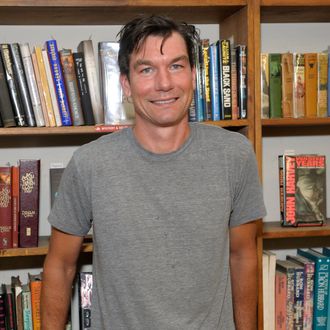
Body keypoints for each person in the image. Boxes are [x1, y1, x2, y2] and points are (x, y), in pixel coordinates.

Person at [41, 15, 266, 330]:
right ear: (126, 85)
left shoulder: (234, 154)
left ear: (193, 75)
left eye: (176, 66)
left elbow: (243, 257)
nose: (164, 83)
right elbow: (60, 266)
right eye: (147, 69)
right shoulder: (90, 163)